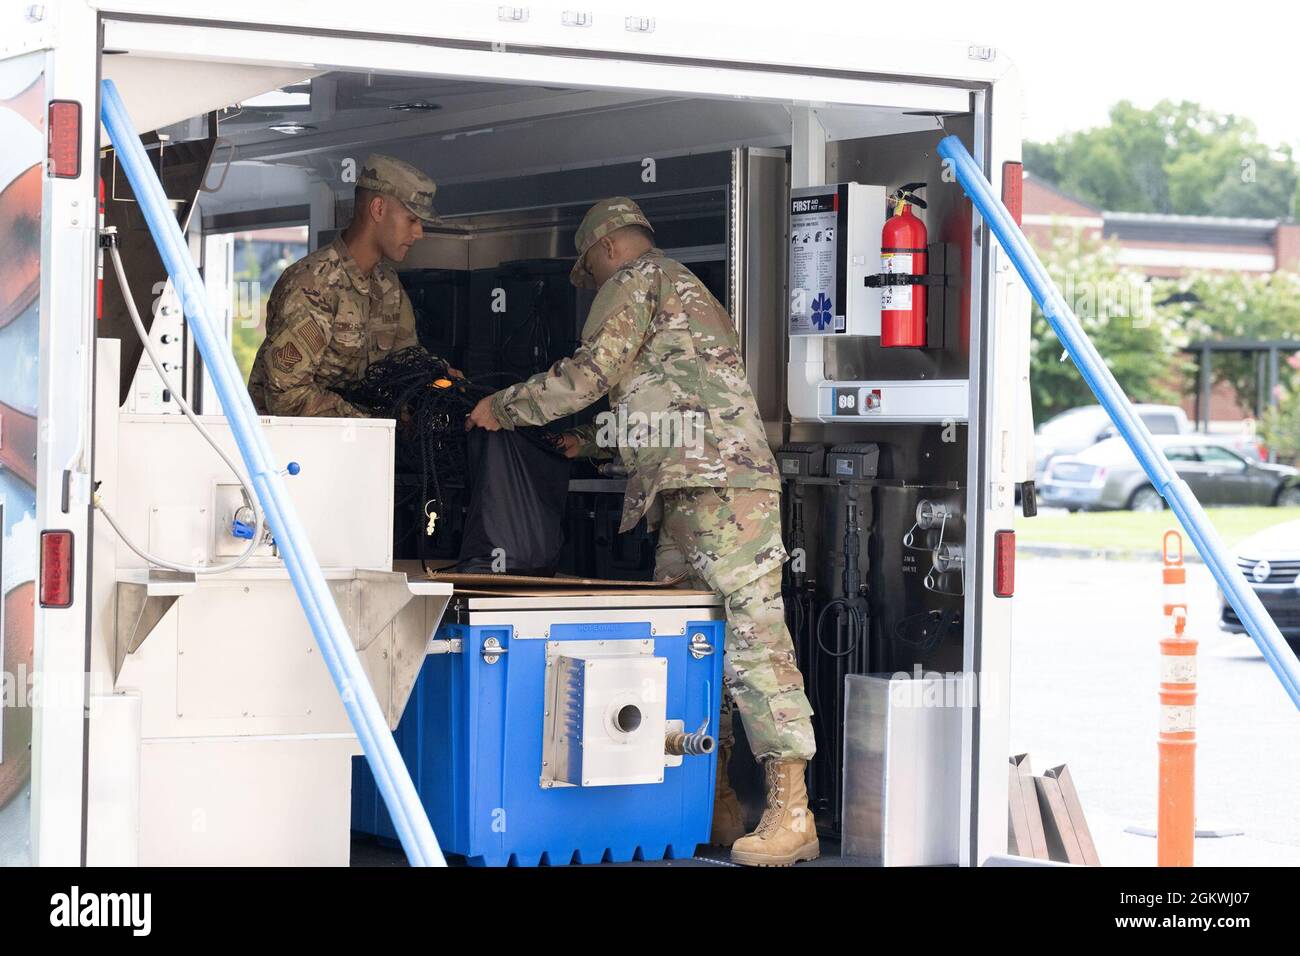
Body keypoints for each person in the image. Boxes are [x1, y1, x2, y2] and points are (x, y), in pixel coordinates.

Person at [465, 197, 819, 866]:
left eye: (589, 272)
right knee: (694, 650)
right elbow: (671, 403)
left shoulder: (635, 280)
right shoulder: (688, 292)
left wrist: (501, 408)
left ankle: (792, 813)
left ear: (604, 249)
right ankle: (711, 803)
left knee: (752, 643)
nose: (594, 285)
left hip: (719, 492)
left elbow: (591, 374)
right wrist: (590, 444)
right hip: (693, 491)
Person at [247, 153, 458, 417]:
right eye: (412, 220)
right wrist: (367, 424)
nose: (419, 233)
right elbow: (287, 395)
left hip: (359, 449)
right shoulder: (313, 285)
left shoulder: (388, 287)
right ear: (378, 209)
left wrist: (436, 376)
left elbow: (405, 365)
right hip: (295, 450)